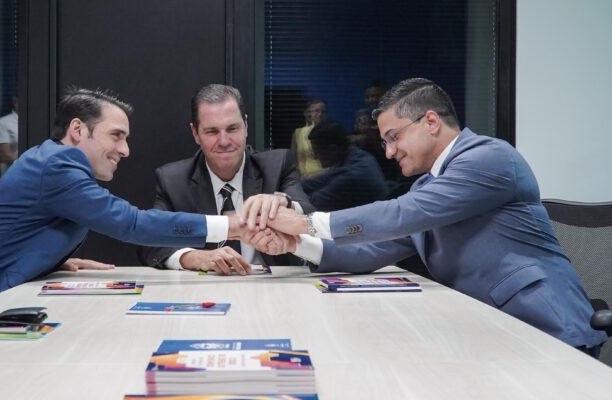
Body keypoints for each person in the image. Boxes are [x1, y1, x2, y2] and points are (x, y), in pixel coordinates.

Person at [243, 78, 607, 354]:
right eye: (384, 142)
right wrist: (297, 243)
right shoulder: (428, 187)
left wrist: (307, 221)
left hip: (548, 332)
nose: (388, 152)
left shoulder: (489, 158)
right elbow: (374, 248)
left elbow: (403, 213)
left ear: (430, 121)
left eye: (394, 137)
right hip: (490, 336)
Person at [0, 87, 252, 306]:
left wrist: (49, 260)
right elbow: (132, 224)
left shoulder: (49, 160)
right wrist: (232, 225)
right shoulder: (57, 166)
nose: (125, 150)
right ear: (78, 130)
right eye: (116, 135)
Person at [136, 84, 314, 274]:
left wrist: (285, 202)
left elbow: (312, 217)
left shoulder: (277, 166)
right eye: (212, 131)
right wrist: (195, 257)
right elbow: (150, 241)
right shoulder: (173, 181)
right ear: (195, 133)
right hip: (205, 286)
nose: (224, 141)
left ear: (246, 126)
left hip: (272, 285)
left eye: (232, 128)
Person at [302, 120, 388, 211]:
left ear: (333, 149)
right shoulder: (355, 155)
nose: (315, 157)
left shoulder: (351, 175)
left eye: (317, 151)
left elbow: (310, 203)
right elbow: (316, 181)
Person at [291, 99, 327, 177]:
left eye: (323, 112)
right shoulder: (299, 132)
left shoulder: (331, 131)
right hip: (305, 177)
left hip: (326, 176)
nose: (320, 114)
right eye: (317, 111)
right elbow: (294, 158)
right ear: (311, 113)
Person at [0, 96, 19, 176]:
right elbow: (6, 156)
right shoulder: (3, 123)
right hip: (12, 176)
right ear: (15, 102)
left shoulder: (36, 122)